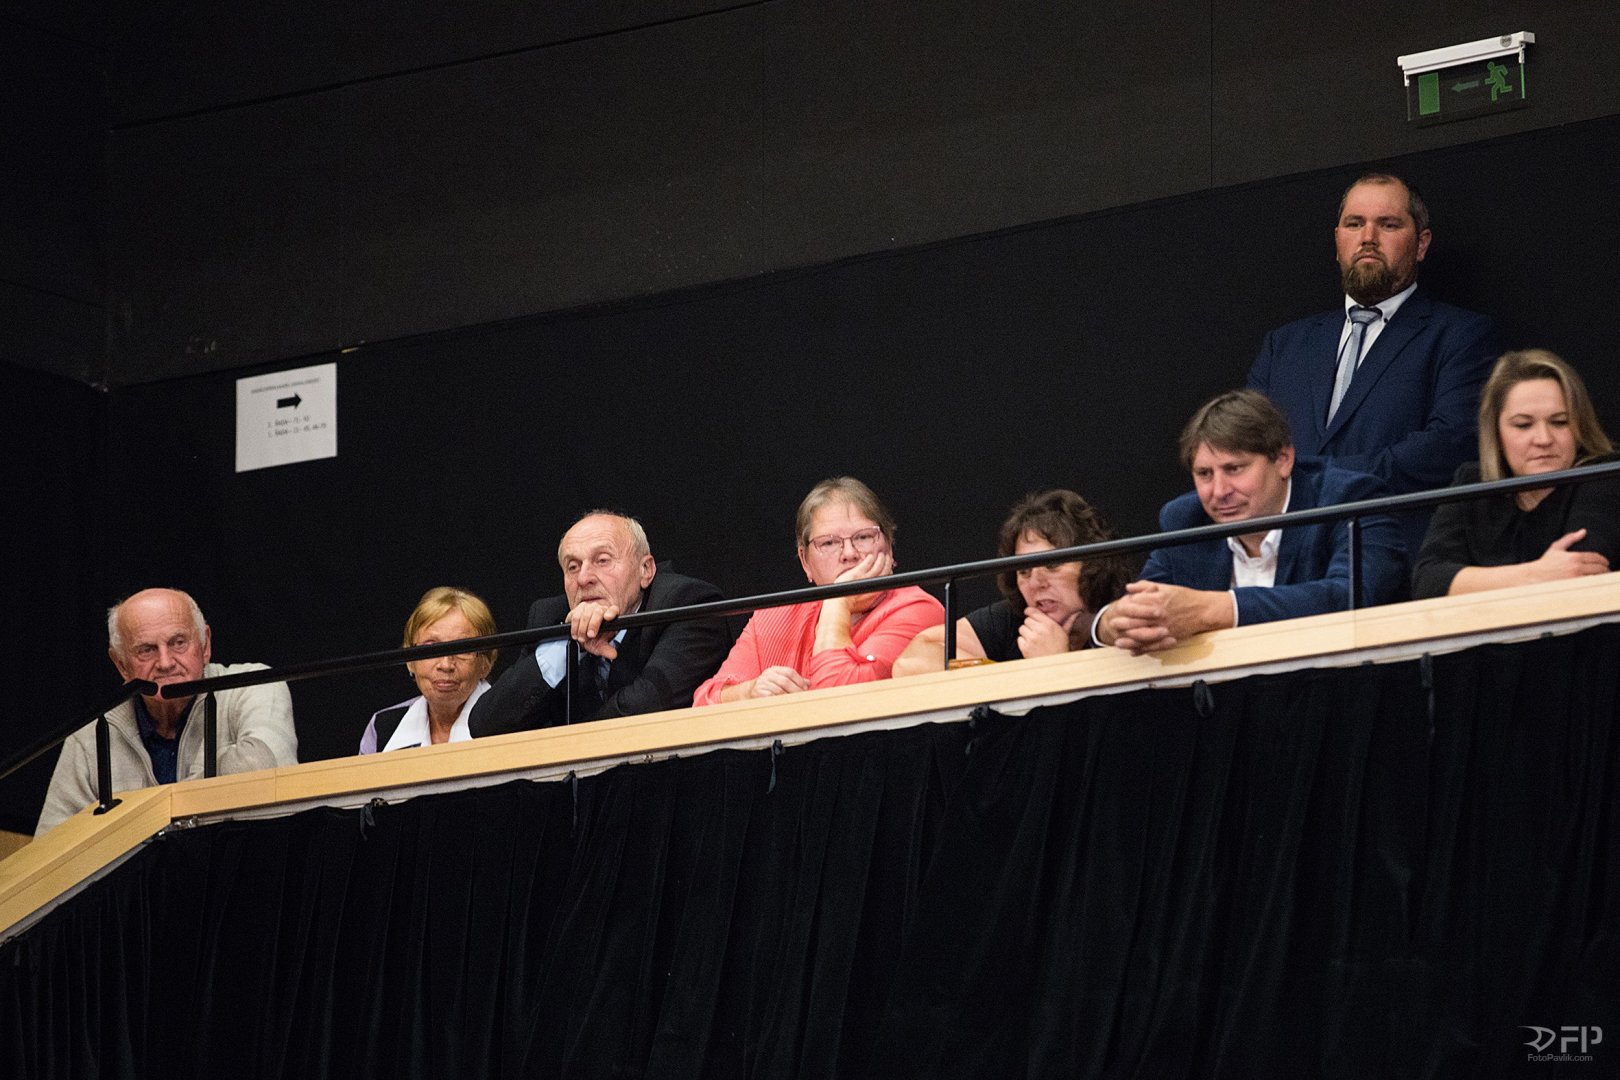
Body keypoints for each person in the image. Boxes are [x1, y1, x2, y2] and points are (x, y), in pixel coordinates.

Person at [1247, 172, 1501, 553]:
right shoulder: (1283, 345)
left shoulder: (1461, 335)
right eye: (1354, 224)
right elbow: (1242, 448)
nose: (1368, 237)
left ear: (1421, 244)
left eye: (1388, 224)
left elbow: (1449, 446)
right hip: (1287, 562)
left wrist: (1322, 479)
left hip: (1398, 556)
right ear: (1337, 242)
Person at [1094, 390, 1407, 655]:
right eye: (1204, 474)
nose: (1219, 491)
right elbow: (1142, 606)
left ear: (1283, 460)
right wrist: (1110, 622)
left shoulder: (1348, 500)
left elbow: (1350, 597)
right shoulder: (1186, 521)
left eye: (1234, 469)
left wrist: (1215, 610)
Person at [37, 588, 297, 835]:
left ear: (205, 645)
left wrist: (146, 824)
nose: (165, 663)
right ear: (121, 665)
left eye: (178, 643)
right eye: (146, 650)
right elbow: (53, 845)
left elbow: (263, 773)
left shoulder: (252, 685)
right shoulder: (93, 734)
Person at [469, 511, 731, 734]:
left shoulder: (687, 603)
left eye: (602, 560)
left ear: (646, 570)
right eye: (573, 566)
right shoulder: (550, 616)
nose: (584, 578)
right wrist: (568, 647)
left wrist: (562, 744)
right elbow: (486, 725)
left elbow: (644, 710)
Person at [693, 477, 943, 703]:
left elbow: (835, 703)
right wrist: (748, 692)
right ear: (805, 561)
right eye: (829, 542)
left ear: (889, 546)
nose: (849, 553)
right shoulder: (771, 618)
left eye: (864, 537)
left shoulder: (918, 609)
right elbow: (703, 701)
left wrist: (837, 602)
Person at [1413, 349, 1619, 598]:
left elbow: (1577, 572)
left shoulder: (1603, 474)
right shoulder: (1472, 482)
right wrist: (1535, 574)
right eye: (1523, 425)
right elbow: (1428, 581)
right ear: (1496, 433)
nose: (1543, 439)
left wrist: (1474, 581)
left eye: (1559, 422)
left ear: (1580, 427)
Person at [893, 489, 1131, 675]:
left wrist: (1058, 666)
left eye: (1052, 565)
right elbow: (913, 661)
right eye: (1024, 570)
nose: (1036, 582)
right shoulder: (1013, 619)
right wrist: (1015, 679)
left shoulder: (1125, 619)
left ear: (1092, 562)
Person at [360, 587, 497, 753]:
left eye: (463, 649)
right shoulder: (382, 728)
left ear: (486, 663)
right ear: (410, 660)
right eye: (431, 648)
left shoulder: (512, 721)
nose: (445, 665)